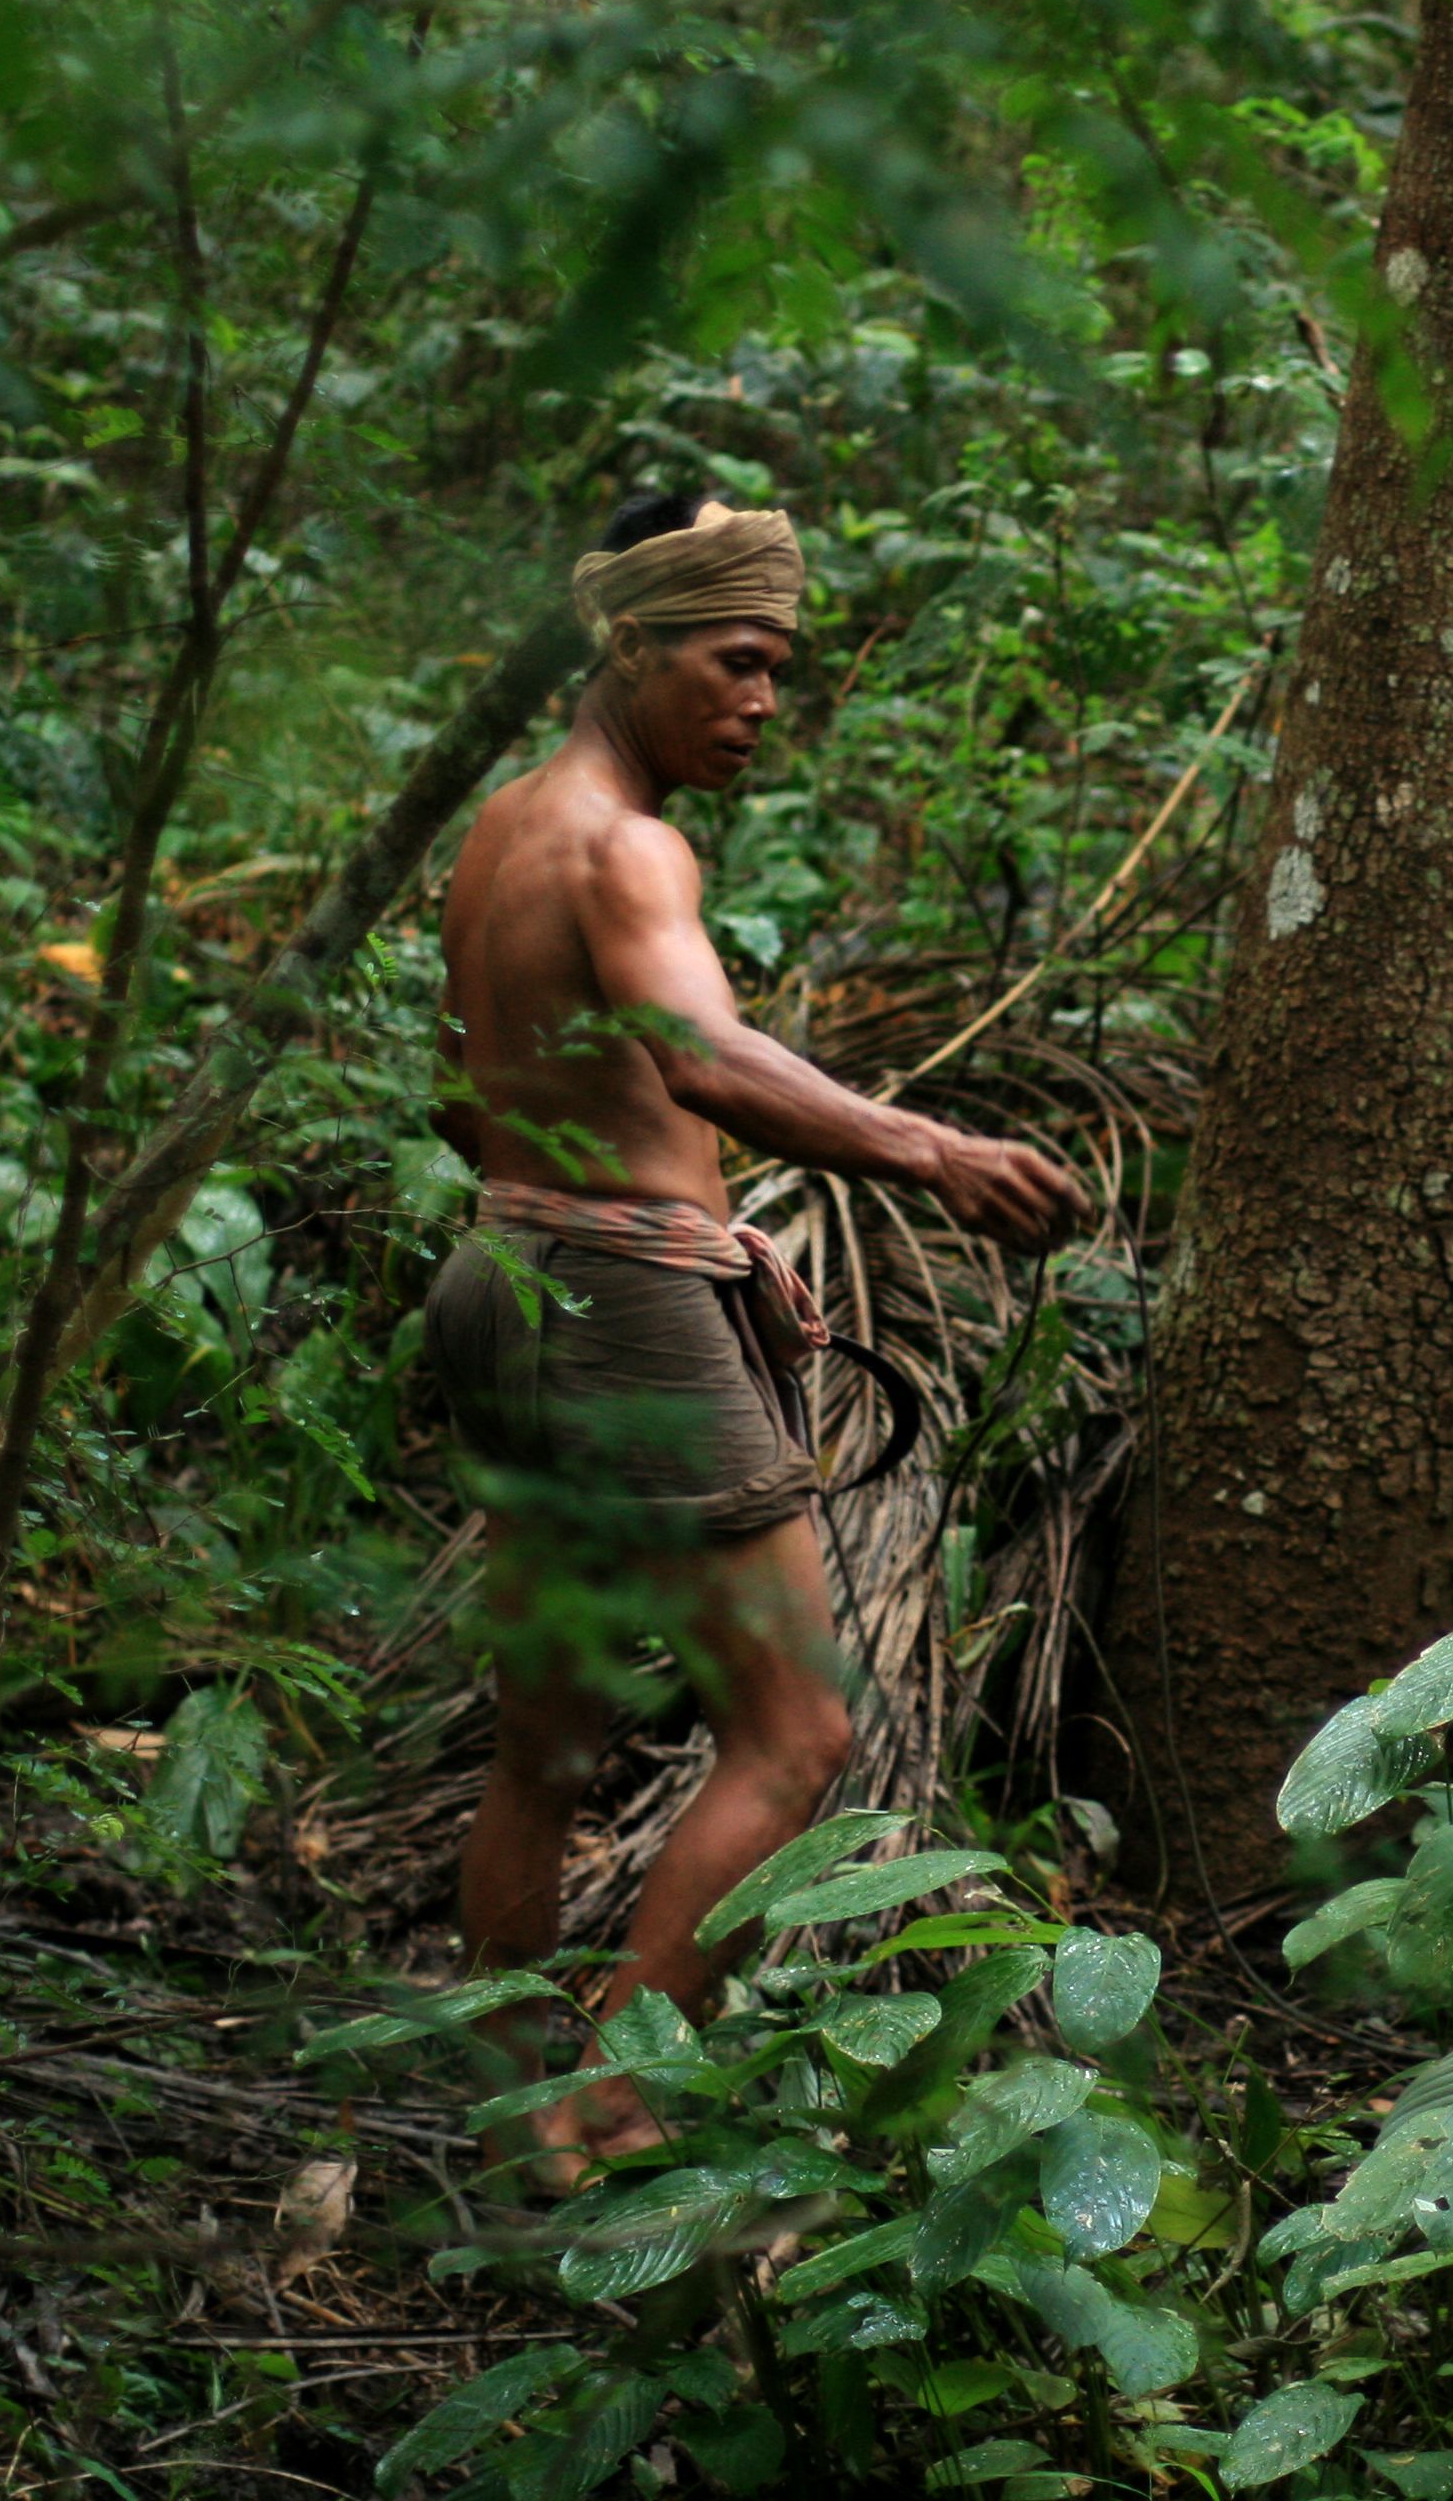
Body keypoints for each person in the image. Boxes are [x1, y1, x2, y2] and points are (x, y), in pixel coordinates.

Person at [422, 490, 1082, 2177]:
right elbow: (700, 1053)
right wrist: (933, 1150)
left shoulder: (500, 831)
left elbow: (491, 1079)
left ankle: (508, 2092)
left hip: (511, 1274)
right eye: (738, 661)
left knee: (548, 1734)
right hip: (623, 1312)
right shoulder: (627, 843)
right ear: (630, 645)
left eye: (780, 671)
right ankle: (608, 2104)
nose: (763, 701)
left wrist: (666, 1221)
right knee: (799, 1733)